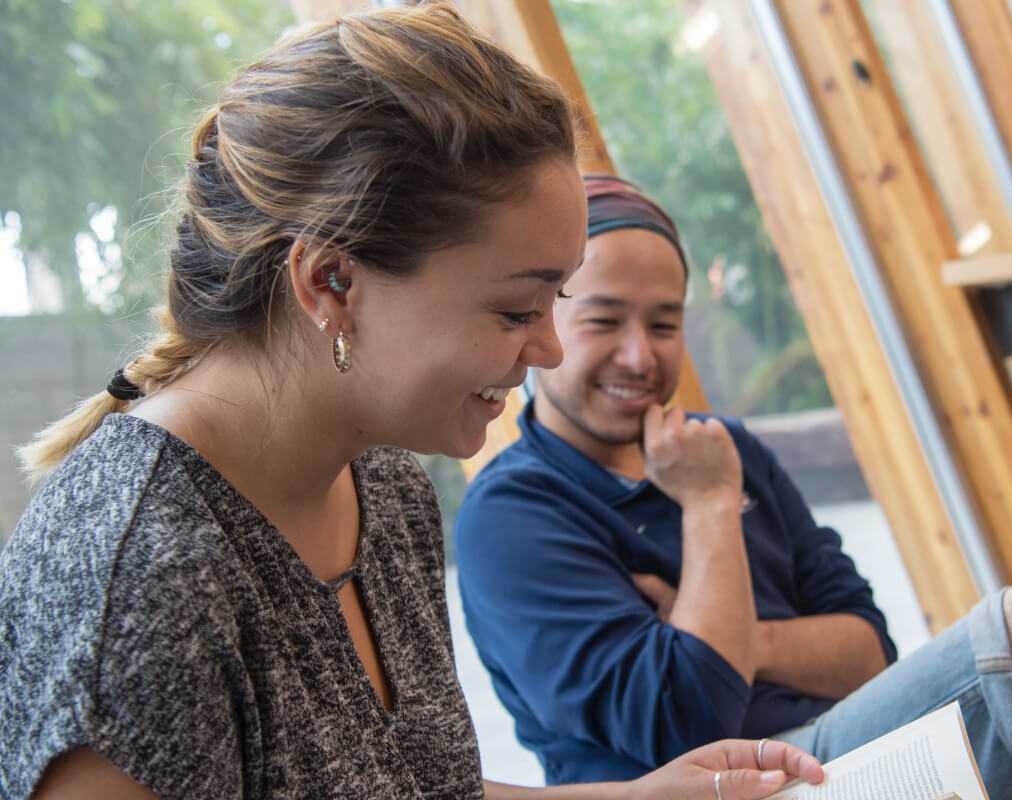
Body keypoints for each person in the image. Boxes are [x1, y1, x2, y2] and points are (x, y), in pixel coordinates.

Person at [0, 6, 827, 799]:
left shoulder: (385, 482)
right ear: (331, 282)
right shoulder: (136, 584)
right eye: (517, 310)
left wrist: (636, 795)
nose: (549, 349)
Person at [454, 174, 1012, 799]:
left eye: (666, 322)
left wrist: (727, 634)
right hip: (728, 787)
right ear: (545, 324)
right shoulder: (512, 514)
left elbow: (869, 646)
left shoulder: (733, 447)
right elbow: (686, 717)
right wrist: (713, 509)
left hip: (847, 749)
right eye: (604, 320)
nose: (642, 356)